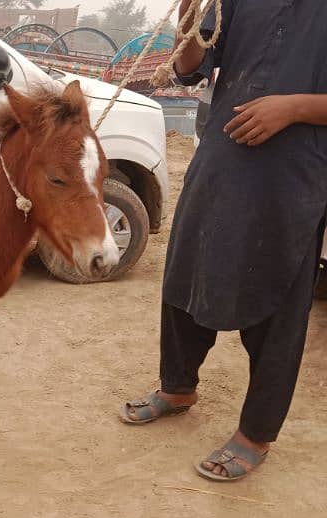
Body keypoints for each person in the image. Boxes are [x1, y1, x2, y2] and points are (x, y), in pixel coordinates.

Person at [118, 0, 327, 481]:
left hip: (294, 174)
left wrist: (293, 108)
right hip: (222, 157)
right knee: (186, 272)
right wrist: (188, 13)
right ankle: (177, 388)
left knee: (278, 299)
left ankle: (256, 433)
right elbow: (189, 67)